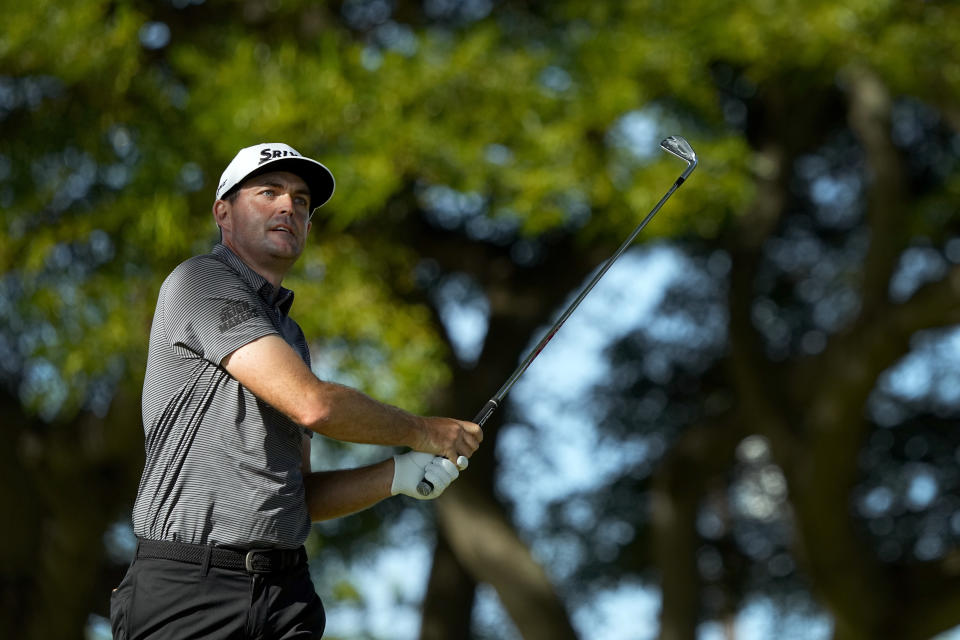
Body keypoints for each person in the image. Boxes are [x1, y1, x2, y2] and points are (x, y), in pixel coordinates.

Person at [109, 143, 482, 639]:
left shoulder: (289, 335)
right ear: (223, 212)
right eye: (269, 192)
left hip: (286, 594)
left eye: (301, 201)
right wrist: (423, 432)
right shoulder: (199, 281)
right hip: (189, 589)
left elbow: (296, 495)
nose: (289, 206)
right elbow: (314, 405)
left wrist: (394, 475)